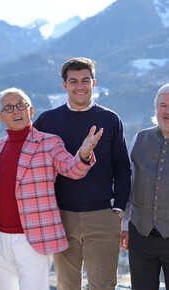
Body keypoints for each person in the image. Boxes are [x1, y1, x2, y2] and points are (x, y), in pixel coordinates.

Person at [0, 87, 103, 290]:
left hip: (33, 238)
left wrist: (83, 154)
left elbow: (71, 169)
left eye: (21, 105)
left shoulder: (49, 143)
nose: (16, 111)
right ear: (1, 117)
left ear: (31, 111)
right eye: (9, 108)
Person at [34, 57, 131, 290]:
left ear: (94, 83)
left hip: (102, 216)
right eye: (73, 81)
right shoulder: (48, 120)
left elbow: (122, 167)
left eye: (85, 80)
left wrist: (118, 209)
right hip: (61, 217)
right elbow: (28, 156)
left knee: (104, 285)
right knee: (67, 286)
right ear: (64, 85)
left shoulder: (110, 119)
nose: (80, 86)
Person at [121, 84, 169, 289]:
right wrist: (125, 225)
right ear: (155, 108)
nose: (166, 111)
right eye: (162, 105)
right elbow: (130, 186)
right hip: (141, 235)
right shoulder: (139, 139)